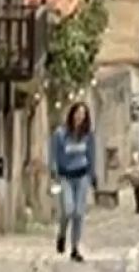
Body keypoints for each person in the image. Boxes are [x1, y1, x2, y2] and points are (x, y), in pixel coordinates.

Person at [48, 102, 98, 262]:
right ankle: (62, 235)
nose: (80, 117)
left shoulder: (88, 135)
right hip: (65, 176)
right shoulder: (60, 134)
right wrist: (54, 171)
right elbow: (54, 154)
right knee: (68, 210)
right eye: (78, 113)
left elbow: (91, 155)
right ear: (72, 114)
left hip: (82, 176)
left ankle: (75, 248)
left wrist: (92, 175)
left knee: (79, 213)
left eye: (83, 114)